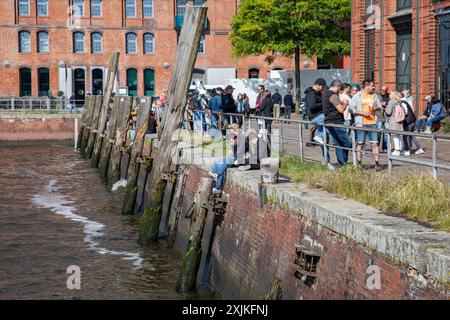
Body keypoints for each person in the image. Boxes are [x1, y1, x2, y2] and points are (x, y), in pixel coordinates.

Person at [349, 79, 382, 169]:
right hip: (361, 123)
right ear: (367, 86)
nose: (374, 87)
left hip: (372, 123)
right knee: (360, 143)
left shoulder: (374, 96)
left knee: (375, 143)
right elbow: (351, 109)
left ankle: (377, 163)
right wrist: (362, 113)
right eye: (372, 86)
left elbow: (380, 107)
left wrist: (377, 108)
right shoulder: (357, 96)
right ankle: (359, 163)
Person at [322, 79, 353, 168]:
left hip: (329, 121)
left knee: (338, 144)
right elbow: (341, 109)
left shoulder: (325, 94)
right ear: (338, 86)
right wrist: (345, 103)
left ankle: (342, 164)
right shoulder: (333, 95)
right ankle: (343, 163)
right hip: (336, 122)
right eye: (340, 88)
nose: (340, 90)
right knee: (348, 143)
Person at [305, 78, 327, 145]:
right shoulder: (311, 93)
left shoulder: (318, 93)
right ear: (318, 85)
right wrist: (323, 104)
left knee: (322, 129)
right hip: (315, 116)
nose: (323, 88)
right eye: (322, 87)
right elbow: (312, 106)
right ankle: (319, 137)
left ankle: (320, 138)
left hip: (319, 115)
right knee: (329, 120)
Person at [384, 91, 404, 156]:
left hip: (393, 120)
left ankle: (397, 150)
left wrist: (385, 110)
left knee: (394, 135)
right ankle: (400, 149)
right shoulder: (399, 102)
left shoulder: (391, 102)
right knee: (399, 135)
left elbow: (389, 112)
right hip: (400, 120)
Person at [378, 86, 390, 153]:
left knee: (386, 134)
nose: (382, 91)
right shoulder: (378, 96)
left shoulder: (389, 97)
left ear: (386, 90)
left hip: (386, 118)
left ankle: (385, 148)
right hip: (379, 117)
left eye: (384, 90)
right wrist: (381, 104)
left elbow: (390, 104)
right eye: (381, 89)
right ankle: (377, 147)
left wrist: (386, 105)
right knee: (379, 133)